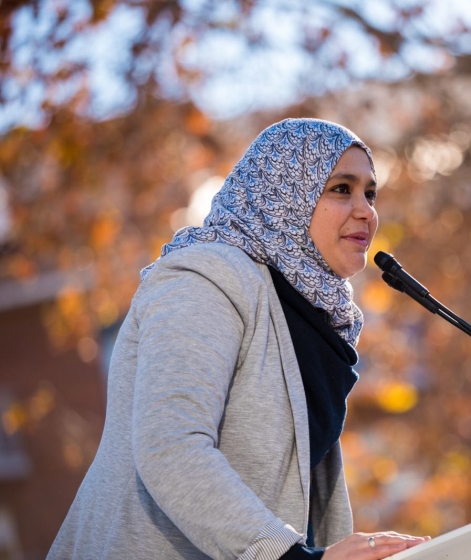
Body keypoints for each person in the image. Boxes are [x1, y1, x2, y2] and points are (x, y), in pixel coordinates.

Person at [48, 118, 429, 559]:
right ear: (285, 193)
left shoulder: (312, 319)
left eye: (370, 192)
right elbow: (171, 446)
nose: (366, 210)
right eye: (341, 188)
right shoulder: (204, 279)